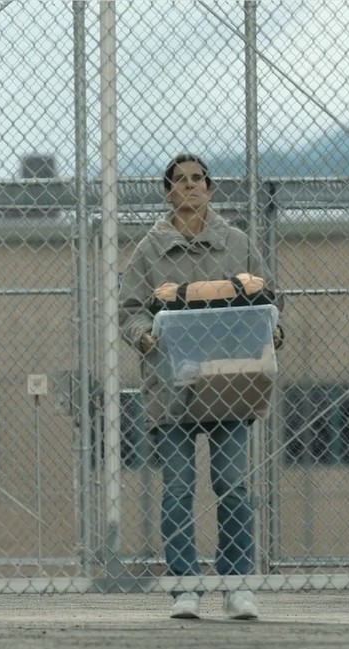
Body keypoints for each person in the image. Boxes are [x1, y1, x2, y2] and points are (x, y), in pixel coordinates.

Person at [118, 153, 282, 620]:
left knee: (231, 483)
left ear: (210, 188)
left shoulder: (237, 243)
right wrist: (143, 336)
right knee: (177, 488)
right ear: (167, 192)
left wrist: (273, 329)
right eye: (180, 180)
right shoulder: (149, 251)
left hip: (230, 379)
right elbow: (129, 309)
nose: (190, 186)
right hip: (173, 384)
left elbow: (269, 296)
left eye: (198, 179)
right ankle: (185, 588)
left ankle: (236, 585)